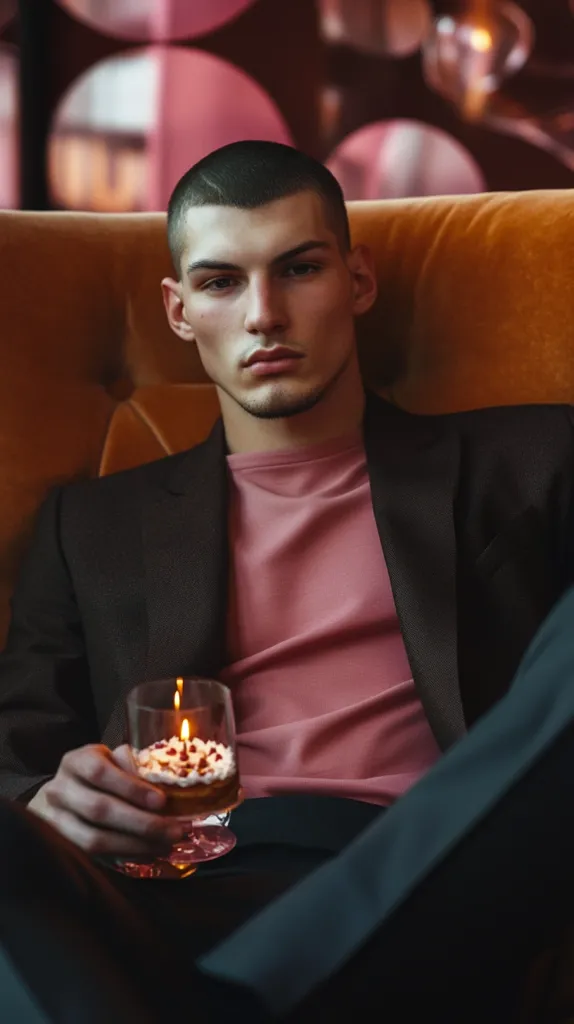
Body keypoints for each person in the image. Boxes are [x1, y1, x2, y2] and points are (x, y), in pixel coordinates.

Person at [1, 140, 574, 1022]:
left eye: (299, 269)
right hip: (168, 885)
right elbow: (18, 762)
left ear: (357, 280)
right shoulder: (90, 527)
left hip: (432, 875)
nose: (264, 315)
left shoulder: (533, 458)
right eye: (221, 282)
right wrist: (51, 802)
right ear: (180, 309)